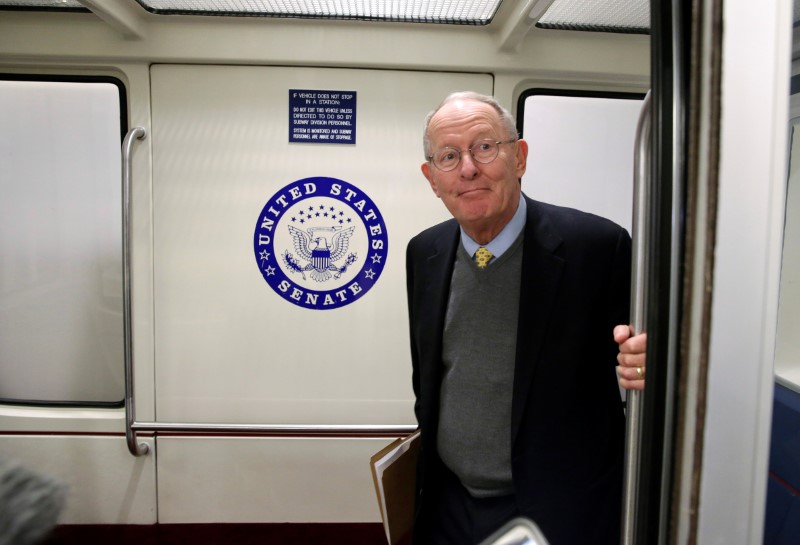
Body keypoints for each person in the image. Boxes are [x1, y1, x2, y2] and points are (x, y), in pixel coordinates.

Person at [405, 91, 647, 545]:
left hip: (557, 512)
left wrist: (652, 362)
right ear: (432, 178)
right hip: (449, 506)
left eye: (484, 146)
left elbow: (651, 356)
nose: (468, 168)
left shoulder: (597, 247)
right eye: (448, 156)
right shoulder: (424, 253)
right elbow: (431, 376)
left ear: (519, 157)